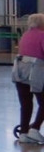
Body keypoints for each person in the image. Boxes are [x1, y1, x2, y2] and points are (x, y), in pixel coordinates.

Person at [13, 13, 44, 144]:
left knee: (25, 104)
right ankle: (35, 128)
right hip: (36, 71)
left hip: (19, 71)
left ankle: (24, 132)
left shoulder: (25, 35)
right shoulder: (42, 35)